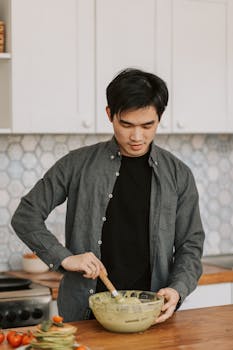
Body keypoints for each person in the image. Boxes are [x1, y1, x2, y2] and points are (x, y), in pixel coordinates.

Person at [11, 68, 205, 324]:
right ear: (109, 115)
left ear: (160, 118)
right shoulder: (76, 164)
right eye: (126, 125)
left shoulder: (178, 174)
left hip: (151, 315)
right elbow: (26, 216)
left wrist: (177, 289)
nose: (137, 136)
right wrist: (64, 257)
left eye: (148, 125)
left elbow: (190, 245)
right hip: (85, 315)